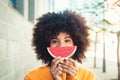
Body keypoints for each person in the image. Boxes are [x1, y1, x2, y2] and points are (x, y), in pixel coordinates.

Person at [24, 10, 98, 80]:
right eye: (55, 41)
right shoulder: (32, 77)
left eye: (67, 40)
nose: (61, 46)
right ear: (46, 45)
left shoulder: (89, 76)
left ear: (76, 43)